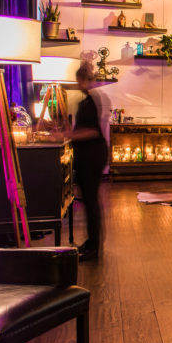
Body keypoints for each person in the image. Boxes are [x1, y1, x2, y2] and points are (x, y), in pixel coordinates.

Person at [68, 62, 110, 261]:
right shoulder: (88, 100)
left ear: (84, 80)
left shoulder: (92, 100)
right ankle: (92, 242)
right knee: (90, 200)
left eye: (79, 80)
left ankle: (94, 247)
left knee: (91, 201)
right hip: (90, 154)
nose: (77, 84)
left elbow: (92, 131)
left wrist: (67, 135)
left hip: (93, 155)